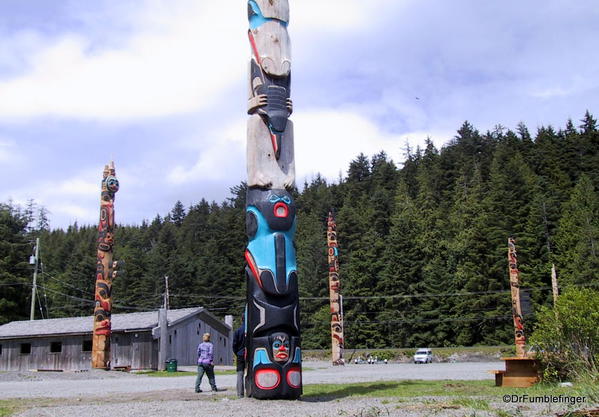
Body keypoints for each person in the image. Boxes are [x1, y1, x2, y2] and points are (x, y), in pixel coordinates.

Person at [232, 320, 246, 398]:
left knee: (240, 374)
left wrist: (236, 353)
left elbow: (234, 344)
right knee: (251, 373)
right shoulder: (251, 330)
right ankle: (251, 392)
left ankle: (240, 394)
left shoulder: (238, 331)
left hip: (240, 354)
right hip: (250, 354)